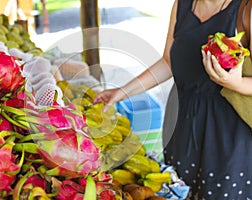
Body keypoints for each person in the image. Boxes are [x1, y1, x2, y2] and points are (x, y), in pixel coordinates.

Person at [93, 0, 252, 199]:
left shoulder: (246, 10)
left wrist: (235, 83)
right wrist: (123, 92)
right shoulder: (182, 4)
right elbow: (169, 61)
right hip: (182, 124)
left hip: (227, 132)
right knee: (180, 192)